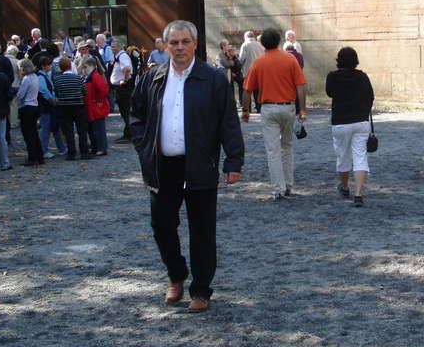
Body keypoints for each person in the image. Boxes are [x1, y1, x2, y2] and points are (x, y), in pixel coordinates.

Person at [131, 20, 244, 313]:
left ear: (195, 44)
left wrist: (233, 160)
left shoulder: (213, 79)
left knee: (202, 230)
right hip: (162, 166)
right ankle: (176, 274)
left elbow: (228, 122)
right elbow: (136, 116)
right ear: (165, 45)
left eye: (185, 42)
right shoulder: (152, 77)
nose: (179, 47)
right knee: (161, 226)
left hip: (200, 164)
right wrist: (144, 147)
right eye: (174, 42)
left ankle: (201, 290)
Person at [241, 28, 307, 200]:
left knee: (273, 150)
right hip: (288, 107)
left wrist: (246, 110)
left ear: (263, 43)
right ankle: (289, 184)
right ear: (279, 41)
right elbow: (301, 85)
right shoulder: (290, 59)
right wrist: (302, 109)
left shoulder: (258, 62)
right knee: (287, 147)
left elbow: (247, 90)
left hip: (268, 108)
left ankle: (278, 188)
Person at [325, 47, 374, 207]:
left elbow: (329, 93)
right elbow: (370, 97)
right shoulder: (362, 77)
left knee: (343, 156)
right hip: (360, 121)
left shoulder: (332, 77)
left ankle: (345, 187)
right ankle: (358, 193)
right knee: (360, 157)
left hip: (340, 122)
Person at [53, 57, 91, 160]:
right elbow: (85, 92)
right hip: (79, 106)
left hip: (65, 107)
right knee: (82, 130)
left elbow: (56, 93)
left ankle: (71, 153)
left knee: (68, 131)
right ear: (70, 66)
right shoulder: (78, 78)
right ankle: (84, 152)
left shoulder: (57, 80)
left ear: (60, 68)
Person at [37, 57, 67, 159]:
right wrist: (52, 99)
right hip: (46, 106)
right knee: (46, 129)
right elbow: (44, 91)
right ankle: (43, 150)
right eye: (49, 65)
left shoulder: (45, 76)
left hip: (49, 105)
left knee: (54, 127)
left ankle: (61, 148)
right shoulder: (41, 77)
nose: (50, 67)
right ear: (43, 66)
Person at [16, 59, 44, 166]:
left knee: (28, 134)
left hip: (27, 107)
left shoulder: (26, 79)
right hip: (34, 106)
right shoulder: (35, 76)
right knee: (34, 133)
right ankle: (39, 156)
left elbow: (20, 95)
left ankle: (32, 158)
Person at [82, 57, 110, 156]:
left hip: (96, 107)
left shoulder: (95, 76)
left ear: (91, 66)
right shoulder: (91, 76)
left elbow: (104, 90)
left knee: (98, 129)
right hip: (92, 106)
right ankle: (96, 147)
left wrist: (99, 100)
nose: (84, 69)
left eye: (85, 67)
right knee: (94, 129)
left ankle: (101, 148)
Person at [110, 38, 133, 143]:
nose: (112, 49)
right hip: (121, 87)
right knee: (124, 112)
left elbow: (127, 69)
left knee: (126, 111)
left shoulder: (122, 56)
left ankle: (129, 135)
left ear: (119, 47)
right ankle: (128, 133)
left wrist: (124, 80)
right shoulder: (119, 56)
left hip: (123, 88)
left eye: (113, 47)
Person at [239, 31, 263, 112]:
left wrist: (239, 67)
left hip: (248, 71)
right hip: (259, 71)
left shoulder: (245, 45)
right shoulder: (260, 45)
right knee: (257, 91)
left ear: (246, 37)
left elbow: (241, 58)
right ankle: (259, 108)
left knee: (247, 90)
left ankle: (248, 109)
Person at [5, 45, 22, 128]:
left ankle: (6, 121)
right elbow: (20, 75)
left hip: (4, 84)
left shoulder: (3, 60)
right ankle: (13, 122)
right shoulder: (17, 61)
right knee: (14, 104)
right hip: (15, 84)